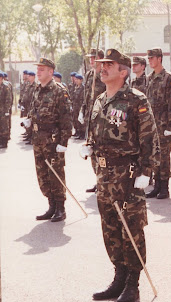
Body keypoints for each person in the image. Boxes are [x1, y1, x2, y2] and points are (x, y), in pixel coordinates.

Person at [81, 49, 159, 302]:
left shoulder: (136, 100)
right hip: (104, 176)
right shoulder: (100, 99)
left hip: (128, 176)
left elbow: (150, 139)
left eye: (109, 65)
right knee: (110, 227)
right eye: (101, 64)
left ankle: (132, 283)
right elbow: (97, 133)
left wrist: (147, 172)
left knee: (131, 228)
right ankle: (119, 276)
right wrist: (90, 146)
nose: (102, 68)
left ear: (123, 71)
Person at [24, 58, 72, 222]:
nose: (38, 72)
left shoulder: (59, 90)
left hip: (53, 140)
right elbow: (33, 110)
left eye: (42, 69)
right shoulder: (37, 89)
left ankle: (60, 208)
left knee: (55, 174)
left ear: (51, 72)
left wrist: (63, 142)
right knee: (43, 175)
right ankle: (51, 206)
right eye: (38, 69)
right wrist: (29, 121)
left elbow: (66, 118)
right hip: (38, 140)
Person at [144, 47, 171, 199]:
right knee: (154, 155)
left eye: (152, 58)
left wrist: (170, 126)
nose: (150, 60)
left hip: (163, 125)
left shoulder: (168, 78)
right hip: (151, 124)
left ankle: (164, 187)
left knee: (164, 156)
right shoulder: (149, 78)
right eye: (149, 58)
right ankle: (156, 185)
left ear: (159, 59)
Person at [81, 48, 106, 193]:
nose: (91, 60)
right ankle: (97, 179)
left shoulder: (104, 74)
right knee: (91, 149)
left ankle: (103, 181)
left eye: (94, 58)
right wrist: (83, 110)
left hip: (101, 117)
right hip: (90, 117)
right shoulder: (89, 74)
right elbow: (86, 95)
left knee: (101, 150)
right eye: (90, 58)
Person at [0, 72, 13, 148]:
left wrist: (6, 110)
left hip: (3, 110)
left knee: (4, 126)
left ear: (1, 78)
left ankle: (4, 142)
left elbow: (8, 99)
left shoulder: (5, 87)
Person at [71, 74, 85, 139]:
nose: (76, 81)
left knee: (80, 120)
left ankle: (82, 134)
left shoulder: (83, 88)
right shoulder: (76, 88)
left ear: (81, 80)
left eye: (77, 79)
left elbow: (83, 99)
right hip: (75, 106)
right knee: (75, 119)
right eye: (75, 79)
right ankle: (77, 132)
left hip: (79, 106)